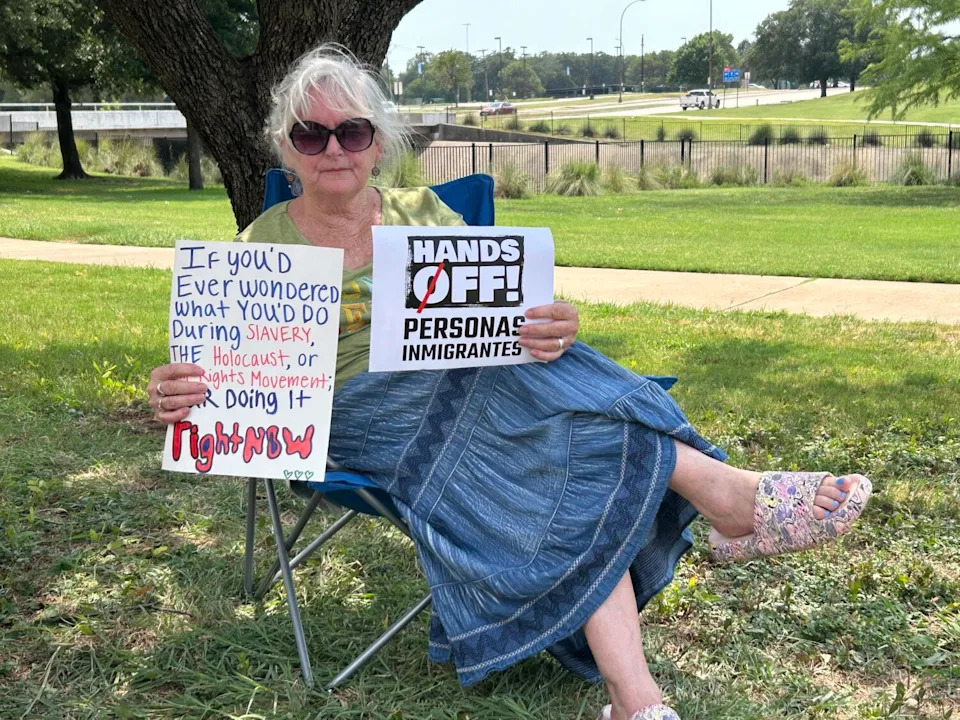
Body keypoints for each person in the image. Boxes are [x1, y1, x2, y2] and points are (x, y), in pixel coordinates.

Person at [148, 45, 871, 720]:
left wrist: (552, 326)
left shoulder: (425, 215)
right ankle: (724, 493)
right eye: (312, 135)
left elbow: (500, 320)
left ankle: (637, 699)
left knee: (548, 405)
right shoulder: (259, 244)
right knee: (547, 409)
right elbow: (222, 377)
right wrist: (178, 391)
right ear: (285, 148)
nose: (334, 148)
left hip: (473, 402)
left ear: (379, 142)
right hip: (351, 418)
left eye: (353, 131)